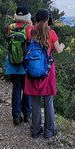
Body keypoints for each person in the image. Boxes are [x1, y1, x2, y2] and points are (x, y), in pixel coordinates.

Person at [24, 9, 65, 139]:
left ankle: (35, 130)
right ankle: (49, 131)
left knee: (35, 101)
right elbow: (58, 50)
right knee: (48, 101)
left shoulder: (30, 32)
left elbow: (28, 24)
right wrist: (63, 45)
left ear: (35, 20)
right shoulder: (51, 33)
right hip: (47, 71)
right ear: (48, 20)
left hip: (32, 71)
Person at [5, 6, 32, 125]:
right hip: (25, 64)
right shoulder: (29, 28)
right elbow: (31, 44)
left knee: (16, 88)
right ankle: (26, 114)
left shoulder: (10, 27)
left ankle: (16, 116)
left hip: (12, 62)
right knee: (27, 89)